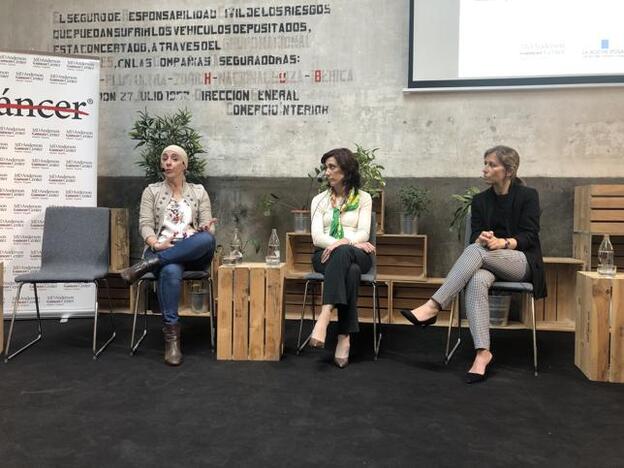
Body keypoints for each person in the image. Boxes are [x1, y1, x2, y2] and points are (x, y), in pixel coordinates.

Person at [400, 145, 546, 383]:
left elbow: (530, 236)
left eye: (492, 164)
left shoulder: (528, 196)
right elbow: (474, 240)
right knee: (477, 278)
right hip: (487, 262)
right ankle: (482, 353)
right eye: (485, 163)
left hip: (521, 262)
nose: (485, 169)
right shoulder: (480, 201)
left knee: (477, 252)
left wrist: (503, 242)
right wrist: (482, 238)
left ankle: (434, 305)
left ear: (508, 170)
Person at [121, 144, 216, 366]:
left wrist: (204, 228)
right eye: (165, 158)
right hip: (161, 246)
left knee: (208, 239)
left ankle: (147, 264)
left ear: (184, 165)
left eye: (174, 158)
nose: (168, 162)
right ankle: (172, 341)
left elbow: (208, 226)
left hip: (193, 250)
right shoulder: (151, 191)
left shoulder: (199, 191)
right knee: (171, 270)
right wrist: (155, 243)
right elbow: (145, 225)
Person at [307, 148, 376, 368]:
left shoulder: (364, 198)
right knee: (351, 270)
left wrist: (343, 242)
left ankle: (325, 314)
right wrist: (343, 242)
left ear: (346, 170)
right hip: (325, 255)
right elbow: (317, 237)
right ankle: (344, 336)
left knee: (345, 252)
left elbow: (365, 232)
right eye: (326, 167)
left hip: (358, 253)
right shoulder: (319, 200)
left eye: (332, 167)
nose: (326, 172)